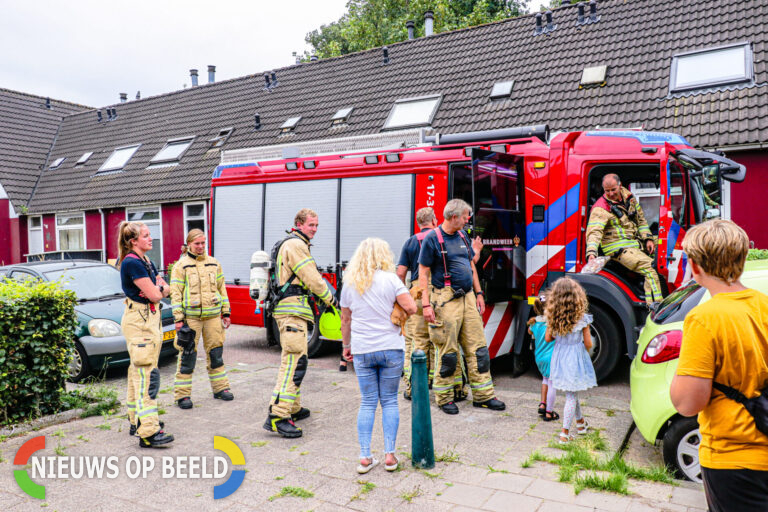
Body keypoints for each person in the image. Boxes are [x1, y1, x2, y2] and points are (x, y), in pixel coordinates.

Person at [670, 220, 768, 512]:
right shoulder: (763, 304)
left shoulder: (704, 319)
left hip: (732, 460)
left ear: (696, 268)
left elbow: (688, 403)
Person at [418, 198, 506, 415]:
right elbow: (423, 273)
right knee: (447, 353)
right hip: (445, 299)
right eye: (466, 216)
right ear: (454, 216)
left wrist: (479, 293)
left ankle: (484, 396)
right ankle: (444, 398)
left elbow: (470, 266)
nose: (469, 219)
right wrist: (426, 305)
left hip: (467, 297)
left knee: (478, 348)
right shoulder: (432, 239)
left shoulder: (462, 236)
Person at [340, 238, 417, 474]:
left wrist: (346, 346)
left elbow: (345, 319)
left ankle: (365, 457)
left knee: (368, 402)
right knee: (390, 401)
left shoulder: (351, 283)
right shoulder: (391, 279)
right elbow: (412, 308)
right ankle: (390, 457)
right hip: (391, 347)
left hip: (363, 349)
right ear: (384, 255)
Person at [264, 208, 336, 438]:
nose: (315, 229)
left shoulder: (293, 243)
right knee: (293, 364)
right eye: (311, 225)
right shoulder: (296, 245)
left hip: (294, 311)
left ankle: (292, 407)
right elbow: (312, 278)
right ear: (299, 224)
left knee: (299, 360)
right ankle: (278, 416)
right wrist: (331, 298)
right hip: (292, 312)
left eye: (316, 225)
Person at [117, 221, 174, 448]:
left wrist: (158, 289)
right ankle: (149, 432)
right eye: (146, 236)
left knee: (137, 372)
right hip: (140, 321)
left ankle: (137, 420)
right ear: (134, 241)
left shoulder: (145, 260)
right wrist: (158, 290)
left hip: (147, 319)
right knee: (147, 375)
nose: (151, 239)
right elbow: (157, 293)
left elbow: (162, 288)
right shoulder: (133, 263)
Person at [169, 229, 233, 409]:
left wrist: (226, 312)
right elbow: (175, 294)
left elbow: (222, 289)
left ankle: (221, 388)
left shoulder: (214, 263)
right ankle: (182, 396)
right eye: (197, 244)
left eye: (203, 243)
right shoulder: (181, 266)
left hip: (213, 317)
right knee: (187, 356)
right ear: (188, 244)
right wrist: (178, 319)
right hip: (191, 319)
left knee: (216, 354)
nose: (201, 247)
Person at [585, 174, 662, 305]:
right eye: (607, 191)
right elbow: (594, 232)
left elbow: (641, 221)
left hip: (635, 242)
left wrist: (648, 239)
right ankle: (655, 307)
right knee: (650, 269)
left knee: (665, 244)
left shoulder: (629, 198)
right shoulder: (600, 208)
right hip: (618, 249)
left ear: (620, 186)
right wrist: (591, 253)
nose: (610, 193)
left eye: (613, 189)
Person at [546, 277, 597, 444]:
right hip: (574, 357)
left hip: (560, 357)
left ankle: (581, 424)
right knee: (571, 395)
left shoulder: (553, 318)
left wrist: (560, 335)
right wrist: (582, 348)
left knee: (571, 392)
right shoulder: (582, 319)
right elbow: (589, 344)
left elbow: (548, 339)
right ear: (577, 298)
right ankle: (564, 433)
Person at [528, 295, 558, 421]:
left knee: (545, 380)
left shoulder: (534, 324)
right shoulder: (552, 324)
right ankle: (549, 413)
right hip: (551, 358)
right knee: (552, 383)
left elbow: (530, 332)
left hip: (539, 357)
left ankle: (542, 404)